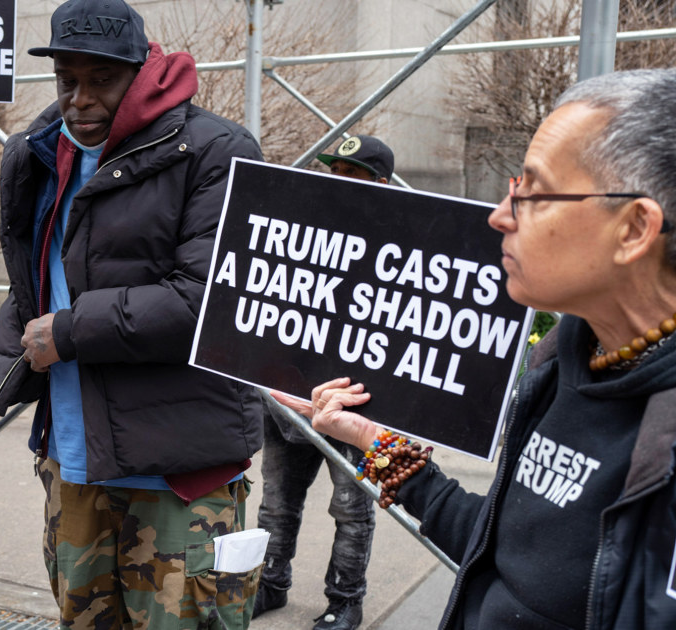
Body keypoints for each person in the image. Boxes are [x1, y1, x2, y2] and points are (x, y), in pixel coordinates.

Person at [273, 68, 676, 628]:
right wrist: (373, 442)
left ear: (634, 229)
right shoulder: (562, 363)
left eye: (532, 193)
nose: (499, 216)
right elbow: (501, 552)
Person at [0, 0, 265, 626]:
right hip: (72, 461)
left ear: (142, 71)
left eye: (101, 80)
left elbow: (208, 301)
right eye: (67, 79)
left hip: (178, 477)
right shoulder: (35, 153)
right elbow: (34, 286)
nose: (79, 99)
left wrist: (66, 332)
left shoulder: (216, 150)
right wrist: (10, 362)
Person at [253, 134, 395, 629]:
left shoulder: (398, 244)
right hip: (288, 395)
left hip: (353, 405)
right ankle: (270, 582)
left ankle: (345, 600)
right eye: (334, 173)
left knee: (352, 508)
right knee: (276, 502)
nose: (339, 183)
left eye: (352, 175)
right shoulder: (302, 229)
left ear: (379, 183)